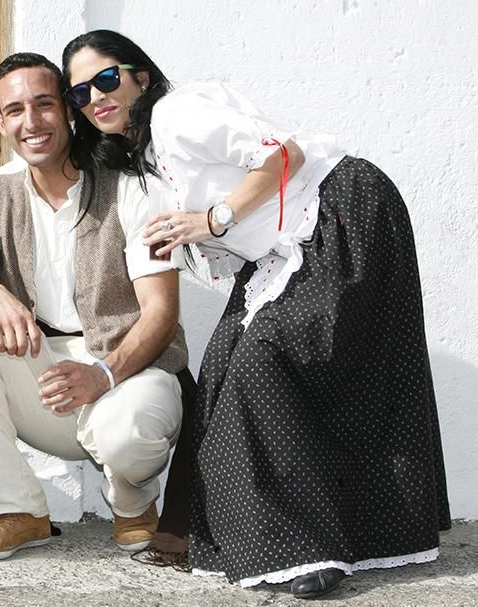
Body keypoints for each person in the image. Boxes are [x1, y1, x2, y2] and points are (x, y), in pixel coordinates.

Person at [62, 30, 451, 598]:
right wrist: (196, 241)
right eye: (79, 95)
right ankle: (275, 541)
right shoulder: (147, 158)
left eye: (105, 79)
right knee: (223, 369)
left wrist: (212, 220)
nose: (95, 98)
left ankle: (305, 549)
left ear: (139, 76)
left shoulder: (174, 113)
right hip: (290, 245)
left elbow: (280, 153)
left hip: (340, 210)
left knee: (263, 363)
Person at [0, 52, 187, 562]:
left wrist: (102, 375)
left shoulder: (131, 187)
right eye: (15, 110)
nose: (31, 122)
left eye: (43, 104)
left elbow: (160, 313)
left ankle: (133, 503)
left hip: (128, 373)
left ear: (66, 108)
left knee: (128, 433)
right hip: (44, 377)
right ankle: (17, 509)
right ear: (0, 123)